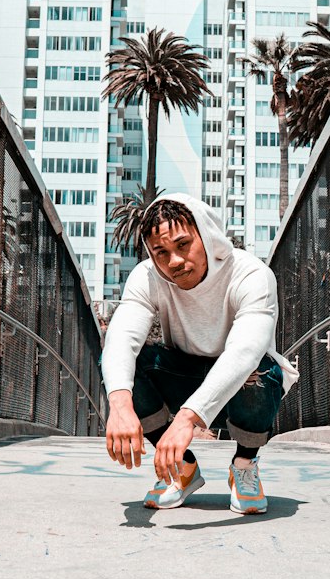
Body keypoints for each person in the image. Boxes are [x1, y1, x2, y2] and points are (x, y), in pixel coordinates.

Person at [101, 192, 298, 513]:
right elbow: (121, 337)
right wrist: (120, 404)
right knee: (124, 368)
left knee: (259, 368)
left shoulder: (250, 274)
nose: (174, 261)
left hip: (242, 389)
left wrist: (187, 420)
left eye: (182, 245)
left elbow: (246, 351)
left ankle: (245, 465)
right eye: (160, 252)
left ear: (206, 237)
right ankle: (183, 468)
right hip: (183, 378)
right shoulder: (147, 276)